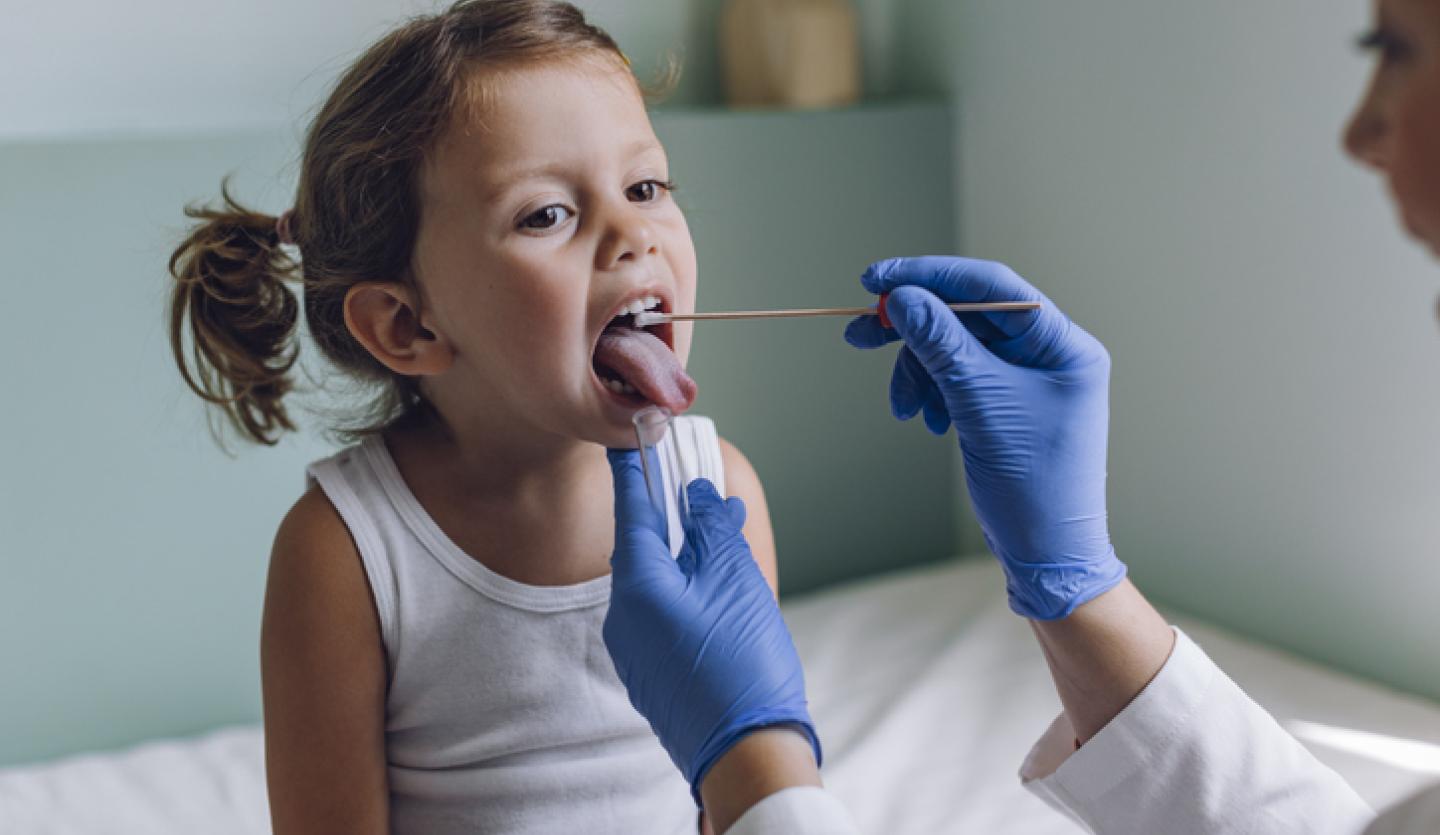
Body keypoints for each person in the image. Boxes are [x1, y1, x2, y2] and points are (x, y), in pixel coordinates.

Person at [601, 0, 1440, 831]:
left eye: (1396, 49)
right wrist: (1076, 584)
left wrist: (754, 761)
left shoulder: (723, 490)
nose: (1359, 133)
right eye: (545, 214)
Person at [165, 2, 782, 832]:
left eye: (645, 186)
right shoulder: (347, 553)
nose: (634, 233)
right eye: (546, 214)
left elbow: (750, 796)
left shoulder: (718, 497)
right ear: (407, 325)